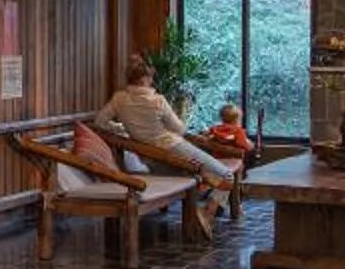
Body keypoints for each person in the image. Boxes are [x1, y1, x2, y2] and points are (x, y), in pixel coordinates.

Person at [91, 61, 241, 207]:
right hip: (172, 146)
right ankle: (208, 211)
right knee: (227, 175)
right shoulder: (157, 101)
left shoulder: (119, 99)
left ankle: (205, 199)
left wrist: (121, 128)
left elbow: (100, 121)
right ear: (145, 79)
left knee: (195, 174)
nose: (151, 81)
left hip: (150, 157)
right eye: (150, 77)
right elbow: (179, 129)